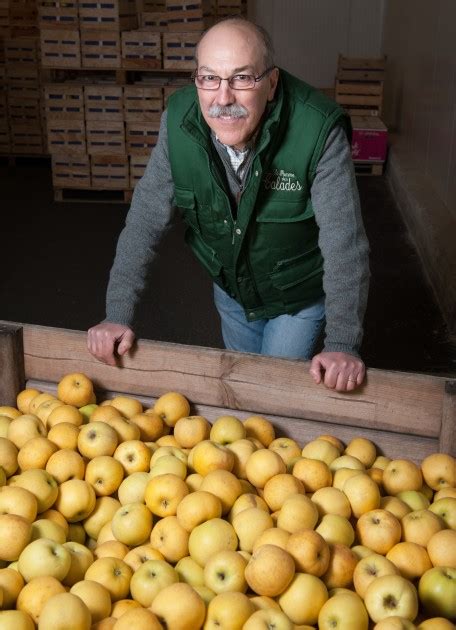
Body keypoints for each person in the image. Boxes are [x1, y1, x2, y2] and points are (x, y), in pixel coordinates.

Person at [87, 16, 370, 393]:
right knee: (240, 387)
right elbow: (144, 222)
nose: (223, 98)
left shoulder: (318, 131)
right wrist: (116, 315)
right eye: (209, 78)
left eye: (242, 78)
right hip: (232, 289)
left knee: (269, 389)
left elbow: (344, 243)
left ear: (271, 84)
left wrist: (342, 345)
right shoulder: (179, 123)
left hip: (296, 295)